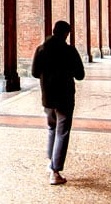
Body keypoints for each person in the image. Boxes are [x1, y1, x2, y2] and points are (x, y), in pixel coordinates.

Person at [31, 20, 85, 185]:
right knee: (62, 132)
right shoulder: (69, 51)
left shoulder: (41, 49)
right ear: (66, 34)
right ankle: (55, 171)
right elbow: (80, 75)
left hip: (47, 97)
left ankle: (50, 162)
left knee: (52, 128)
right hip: (65, 97)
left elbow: (34, 72)